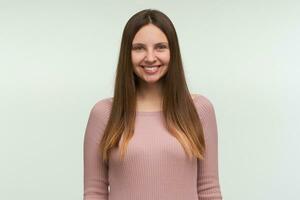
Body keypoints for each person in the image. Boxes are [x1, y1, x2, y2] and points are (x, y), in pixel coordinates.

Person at [83, 9, 223, 200]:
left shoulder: (199, 109)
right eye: (139, 48)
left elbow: (209, 189)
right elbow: (95, 192)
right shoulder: (104, 114)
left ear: (172, 51)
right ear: (127, 54)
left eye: (160, 47)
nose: (150, 57)